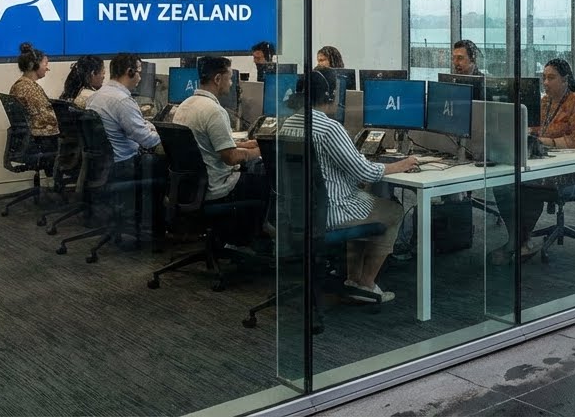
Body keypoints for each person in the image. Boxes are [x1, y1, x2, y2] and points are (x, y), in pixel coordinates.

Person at [279, 69, 416, 302]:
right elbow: (366, 171)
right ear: (331, 95)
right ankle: (366, 282)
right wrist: (402, 164)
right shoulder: (330, 128)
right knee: (392, 210)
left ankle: (354, 279)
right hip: (329, 214)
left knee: (364, 200)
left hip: (297, 212)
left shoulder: (287, 124)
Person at [490, 58, 575, 264]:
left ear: (565, 80)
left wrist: (546, 142)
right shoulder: (543, 102)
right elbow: (535, 129)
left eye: (551, 78)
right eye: (543, 78)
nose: (545, 83)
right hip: (541, 162)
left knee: (526, 187)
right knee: (502, 185)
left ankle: (519, 241)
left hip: (572, 170)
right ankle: (519, 239)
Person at [176, 56, 269, 241]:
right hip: (217, 188)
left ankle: (234, 238)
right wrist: (262, 151)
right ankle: (251, 244)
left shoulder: (185, 106)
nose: (232, 82)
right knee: (267, 182)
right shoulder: (214, 111)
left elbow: (206, 144)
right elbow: (231, 158)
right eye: (230, 77)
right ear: (218, 79)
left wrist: (245, 145)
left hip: (191, 188)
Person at [86, 53, 166, 239]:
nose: (140, 77)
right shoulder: (122, 101)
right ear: (129, 72)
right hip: (124, 165)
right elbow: (146, 140)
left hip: (105, 165)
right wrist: (163, 135)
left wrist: (147, 126)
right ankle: (159, 232)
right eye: (138, 72)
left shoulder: (96, 97)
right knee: (167, 165)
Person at [9, 42, 59, 152]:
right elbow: (47, 117)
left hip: (30, 140)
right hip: (41, 141)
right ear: (33, 65)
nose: (47, 69)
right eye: (45, 64)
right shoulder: (30, 88)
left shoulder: (20, 85)